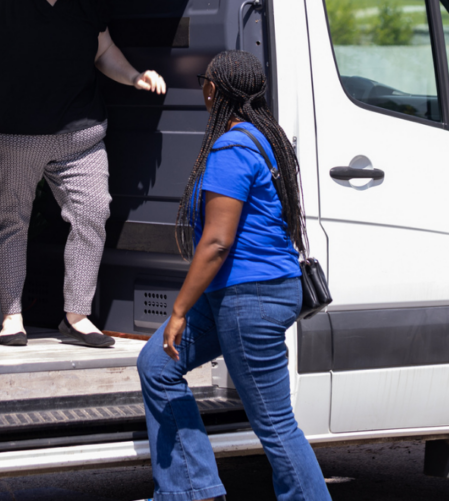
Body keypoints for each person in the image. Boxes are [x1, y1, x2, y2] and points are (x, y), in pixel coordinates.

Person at [137, 50, 330, 501]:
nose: (203, 87)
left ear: (213, 90)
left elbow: (217, 242)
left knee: (275, 424)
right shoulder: (264, 137)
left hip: (250, 300)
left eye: (206, 81)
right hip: (243, 294)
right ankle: (192, 491)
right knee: (157, 364)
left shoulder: (232, 148)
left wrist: (179, 309)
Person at [0, 0, 166, 348]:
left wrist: (135, 76)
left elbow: (103, 50)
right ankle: (11, 315)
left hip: (79, 131)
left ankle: (77, 316)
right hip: (16, 130)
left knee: (92, 213)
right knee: (10, 221)